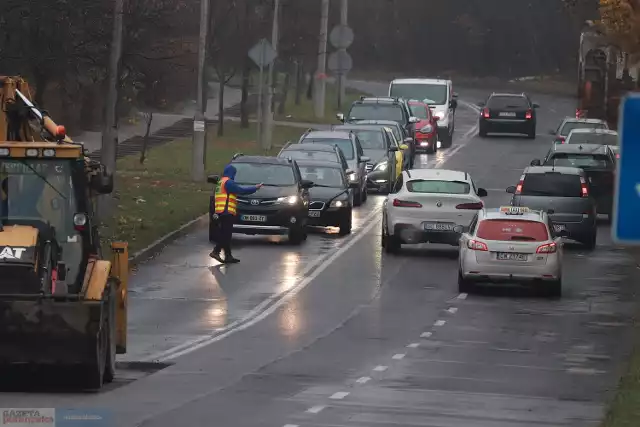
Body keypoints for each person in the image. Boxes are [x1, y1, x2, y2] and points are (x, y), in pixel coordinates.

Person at [209, 164, 263, 263]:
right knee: (225, 235)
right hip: (226, 212)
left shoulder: (221, 182)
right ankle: (216, 251)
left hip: (221, 211)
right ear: (232, 173)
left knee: (225, 234)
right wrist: (255, 188)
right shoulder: (228, 183)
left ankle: (228, 255)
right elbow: (241, 191)